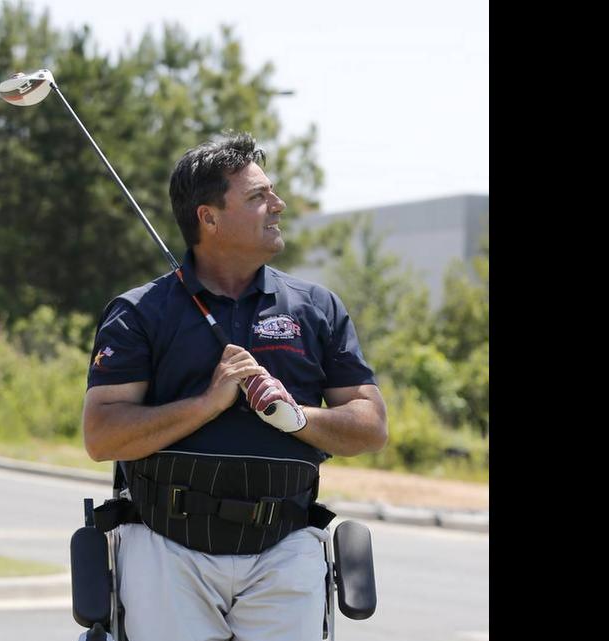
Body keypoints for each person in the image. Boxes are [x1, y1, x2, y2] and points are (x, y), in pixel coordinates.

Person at [82, 132, 388, 641]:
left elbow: (370, 426)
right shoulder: (140, 312)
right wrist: (207, 403)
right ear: (209, 218)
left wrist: (298, 417)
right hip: (166, 550)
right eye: (257, 196)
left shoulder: (316, 307)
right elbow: (103, 435)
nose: (278, 204)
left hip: (286, 549)